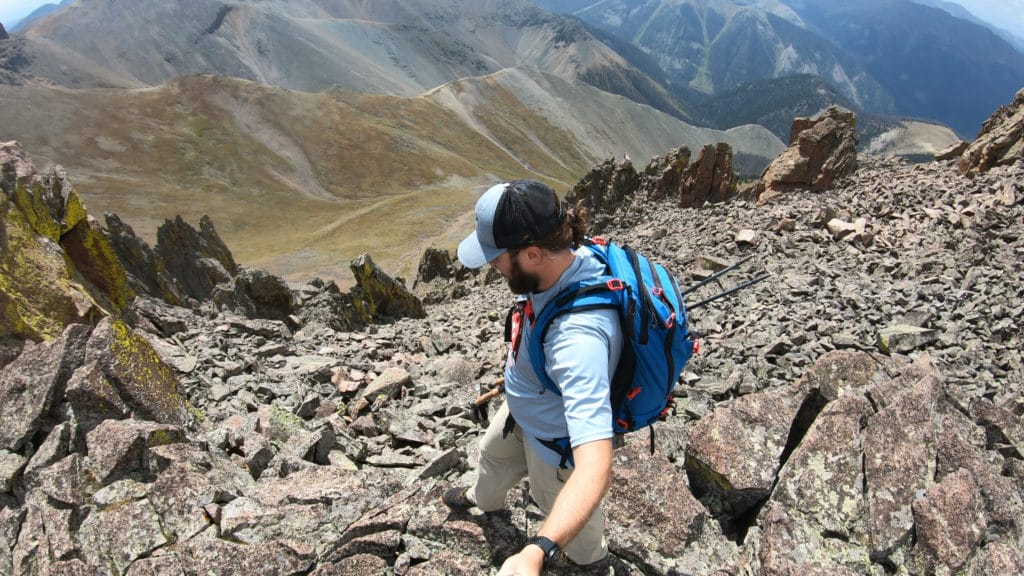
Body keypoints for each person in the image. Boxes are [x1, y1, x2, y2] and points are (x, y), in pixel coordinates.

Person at [444, 179, 623, 575]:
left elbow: (595, 465)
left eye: (497, 259)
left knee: (567, 521)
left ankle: (590, 561)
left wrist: (536, 551)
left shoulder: (578, 340)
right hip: (521, 413)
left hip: (555, 448)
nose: (492, 267)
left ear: (533, 254)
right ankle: (482, 499)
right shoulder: (560, 262)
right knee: (491, 457)